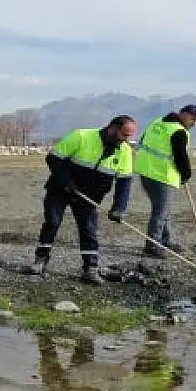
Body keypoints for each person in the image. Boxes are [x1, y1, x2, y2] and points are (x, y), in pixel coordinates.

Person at [28, 116, 137, 283]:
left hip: (90, 197)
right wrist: (66, 182)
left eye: (128, 136)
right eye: (123, 135)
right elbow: (53, 158)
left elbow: (124, 183)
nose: (125, 139)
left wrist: (118, 208)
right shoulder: (81, 136)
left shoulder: (125, 151)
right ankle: (40, 261)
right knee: (52, 222)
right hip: (60, 189)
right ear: (112, 128)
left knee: (89, 230)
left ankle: (90, 269)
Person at [132, 103, 196, 259]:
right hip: (161, 175)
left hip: (145, 171)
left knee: (162, 210)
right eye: (192, 118)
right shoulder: (179, 132)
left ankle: (166, 240)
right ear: (183, 114)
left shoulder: (157, 122)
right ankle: (152, 245)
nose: (193, 123)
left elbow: (144, 140)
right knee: (160, 212)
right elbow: (181, 157)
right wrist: (186, 174)